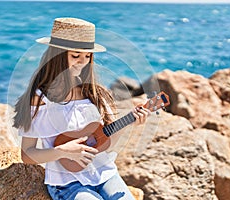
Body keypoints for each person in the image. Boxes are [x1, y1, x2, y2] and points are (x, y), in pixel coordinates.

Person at [13, 17, 150, 200]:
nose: (82, 62)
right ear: (57, 55)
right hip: (66, 183)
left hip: (105, 174)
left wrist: (129, 123)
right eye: (75, 56)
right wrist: (62, 151)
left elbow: (105, 144)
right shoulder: (40, 99)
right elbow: (27, 154)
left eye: (87, 56)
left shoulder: (94, 93)